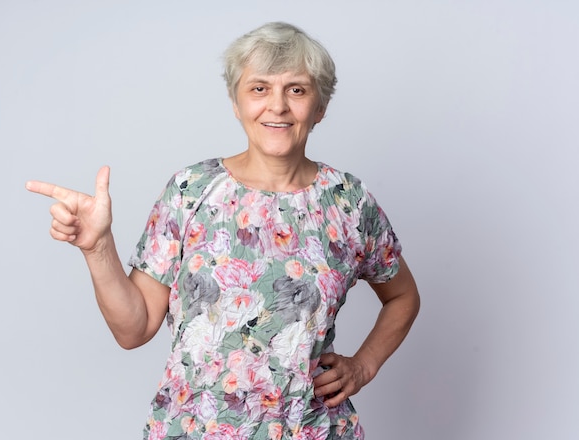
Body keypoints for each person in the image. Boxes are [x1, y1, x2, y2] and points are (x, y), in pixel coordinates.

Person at [26, 22, 419, 440]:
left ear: (320, 107)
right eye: (259, 88)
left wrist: (363, 365)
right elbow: (133, 329)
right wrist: (98, 247)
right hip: (193, 430)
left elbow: (403, 296)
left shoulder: (349, 202)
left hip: (309, 429)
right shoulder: (190, 191)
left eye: (297, 90)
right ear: (237, 102)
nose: (278, 106)